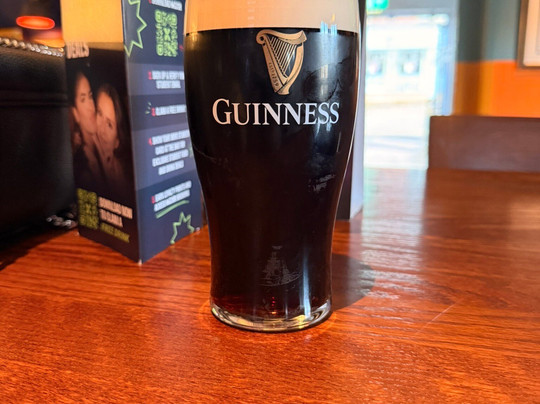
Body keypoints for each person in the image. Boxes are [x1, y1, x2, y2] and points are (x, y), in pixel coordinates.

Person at [94, 83, 131, 200]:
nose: (100, 128)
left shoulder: (121, 183)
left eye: (109, 124)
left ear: (117, 142)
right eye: (99, 113)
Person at [69, 71, 105, 188]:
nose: (91, 106)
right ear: (75, 113)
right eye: (83, 99)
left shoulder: (104, 147)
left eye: (90, 96)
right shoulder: (84, 170)